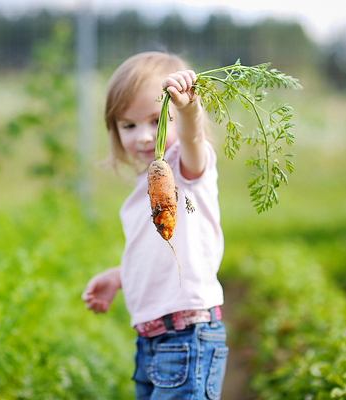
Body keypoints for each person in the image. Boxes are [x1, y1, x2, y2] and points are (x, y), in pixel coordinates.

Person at [81, 51, 227, 399]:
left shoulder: (184, 170)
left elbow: (192, 141)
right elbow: (154, 253)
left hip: (187, 335)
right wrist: (119, 275)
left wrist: (188, 109)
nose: (146, 137)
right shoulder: (141, 191)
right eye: (129, 125)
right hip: (149, 339)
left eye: (159, 119)